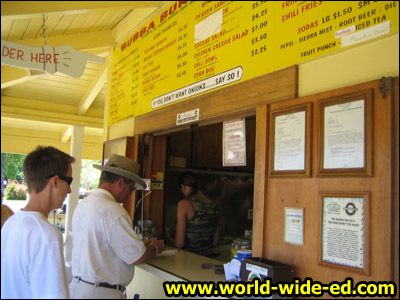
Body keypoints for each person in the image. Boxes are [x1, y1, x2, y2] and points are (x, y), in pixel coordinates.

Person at [69, 154, 165, 299]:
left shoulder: (84, 205)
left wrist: (139, 244)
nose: (130, 194)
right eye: (131, 188)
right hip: (102, 293)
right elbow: (137, 257)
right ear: (120, 182)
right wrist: (155, 248)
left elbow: (101, 244)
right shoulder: (114, 211)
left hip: (79, 288)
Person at [1, 146, 75, 299]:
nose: (69, 190)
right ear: (55, 181)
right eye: (69, 181)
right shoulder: (46, 235)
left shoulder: (10, 224)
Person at [174, 171, 220, 257]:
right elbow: (216, 242)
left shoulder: (184, 204)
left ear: (183, 186)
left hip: (189, 258)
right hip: (208, 258)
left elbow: (179, 244)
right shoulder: (214, 205)